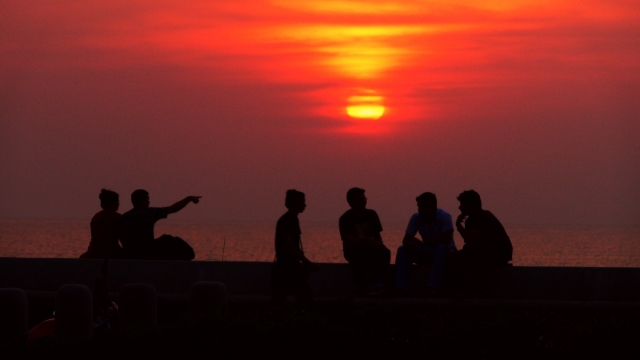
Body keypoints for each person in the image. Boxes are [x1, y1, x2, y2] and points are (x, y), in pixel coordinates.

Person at [394, 192, 456, 296]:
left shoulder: (445, 217)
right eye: (418, 206)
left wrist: (423, 243)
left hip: (444, 253)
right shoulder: (416, 217)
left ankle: (434, 286)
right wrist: (411, 244)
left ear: (432, 206)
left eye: (422, 206)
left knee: (441, 248)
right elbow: (405, 239)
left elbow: (446, 239)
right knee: (402, 250)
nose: (419, 210)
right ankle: (402, 287)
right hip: (427, 251)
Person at [270, 189, 319, 310]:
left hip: (289, 267)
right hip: (287, 268)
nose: (305, 205)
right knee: (305, 302)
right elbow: (290, 246)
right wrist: (306, 262)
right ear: (295, 202)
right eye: (302, 202)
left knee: (280, 300)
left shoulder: (292, 219)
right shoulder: (287, 221)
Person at [118, 189, 200, 260]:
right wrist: (189, 199)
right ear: (143, 200)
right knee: (168, 239)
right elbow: (173, 208)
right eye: (147, 199)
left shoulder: (124, 218)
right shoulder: (150, 213)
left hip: (131, 253)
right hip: (147, 253)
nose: (149, 202)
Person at [339, 187, 390, 295]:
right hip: (353, 249)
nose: (364, 201)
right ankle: (360, 285)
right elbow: (349, 240)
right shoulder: (345, 218)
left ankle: (379, 283)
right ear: (351, 202)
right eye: (360, 199)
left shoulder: (372, 214)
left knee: (385, 252)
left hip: (371, 247)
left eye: (364, 198)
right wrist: (368, 240)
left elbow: (377, 235)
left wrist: (379, 243)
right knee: (360, 249)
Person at [454, 190, 513, 271]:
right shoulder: (469, 221)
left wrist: (459, 226)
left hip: (500, 253)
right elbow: (469, 241)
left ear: (471, 206)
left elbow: (471, 239)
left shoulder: (485, 217)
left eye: (462, 204)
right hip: (483, 252)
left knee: (469, 249)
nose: (459, 207)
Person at [80, 189, 124, 259]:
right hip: (111, 252)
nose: (119, 203)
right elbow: (123, 239)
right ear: (114, 202)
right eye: (117, 201)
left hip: (93, 251)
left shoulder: (96, 217)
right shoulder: (117, 217)